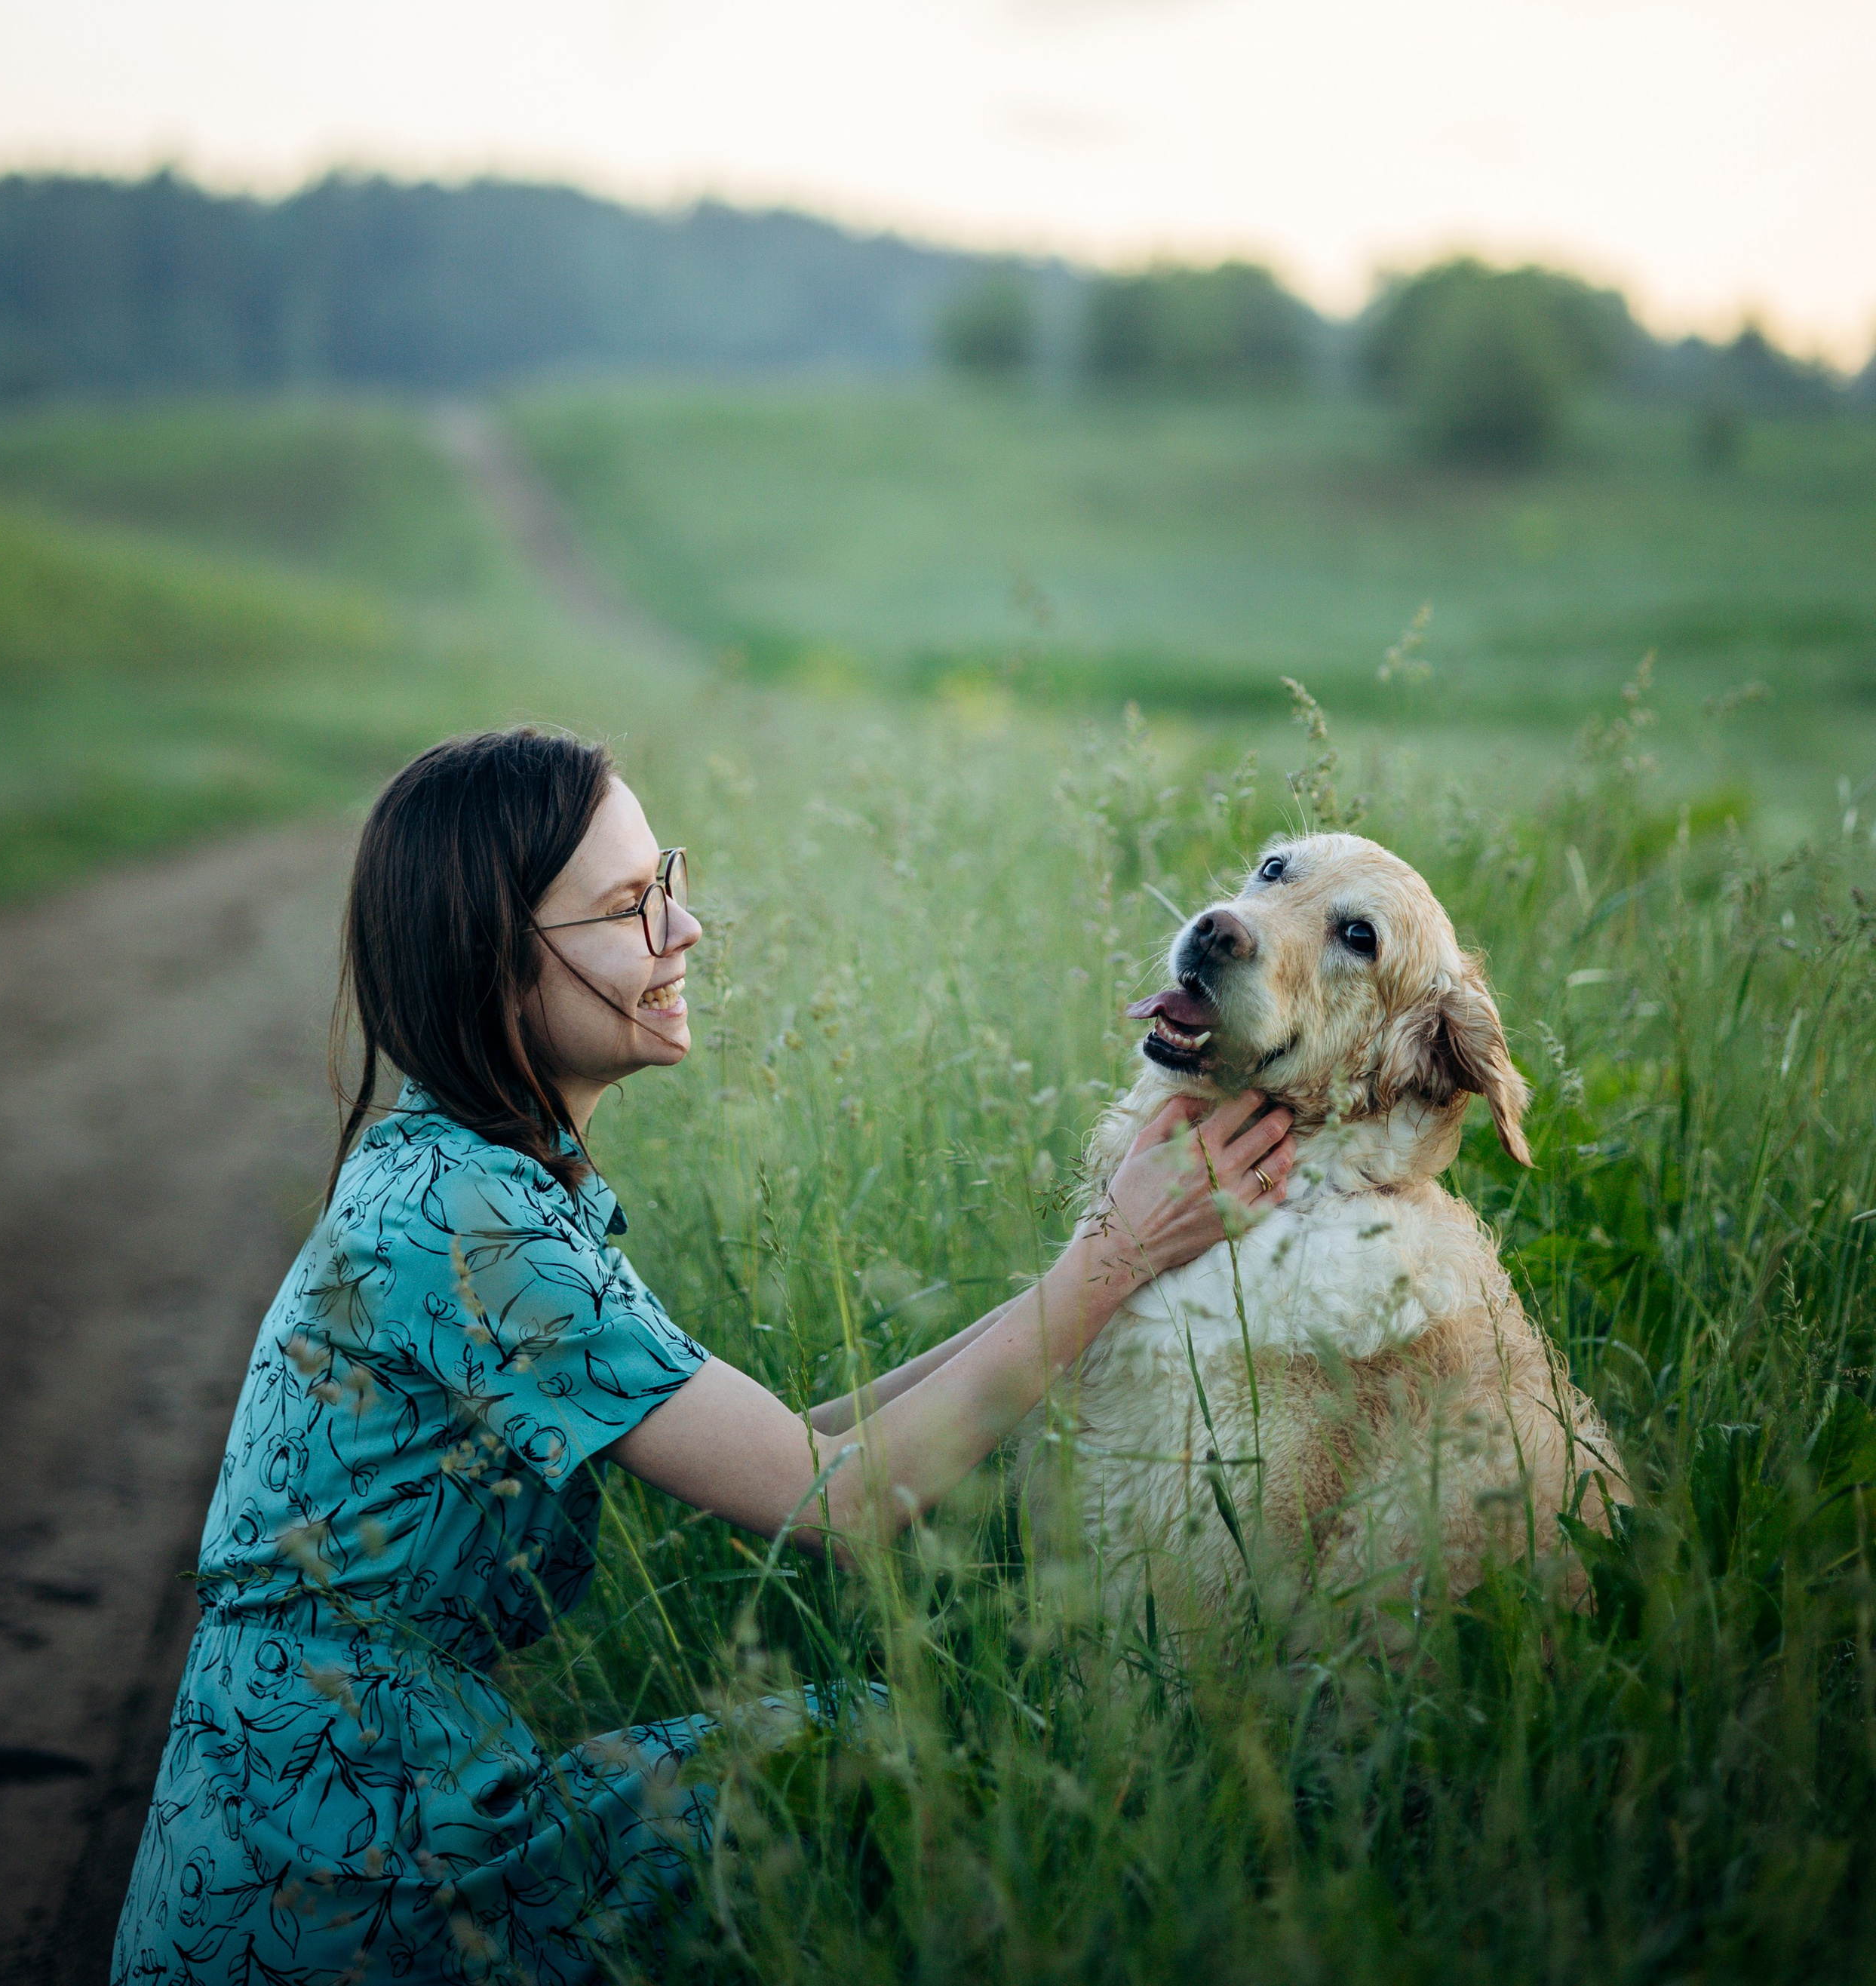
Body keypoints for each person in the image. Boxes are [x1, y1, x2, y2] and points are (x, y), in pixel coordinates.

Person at [113, 728, 1294, 1983]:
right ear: (495, 966)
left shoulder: (470, 1173)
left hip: (324, 1794)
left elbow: (802, 1442)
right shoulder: (476, 1223)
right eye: (631, 908)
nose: (688, 928)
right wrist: (1107, 1264)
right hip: (339, 1855)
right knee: (861, 1753)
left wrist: (1092, 1272)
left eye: (665, 879)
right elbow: (837, 1503)